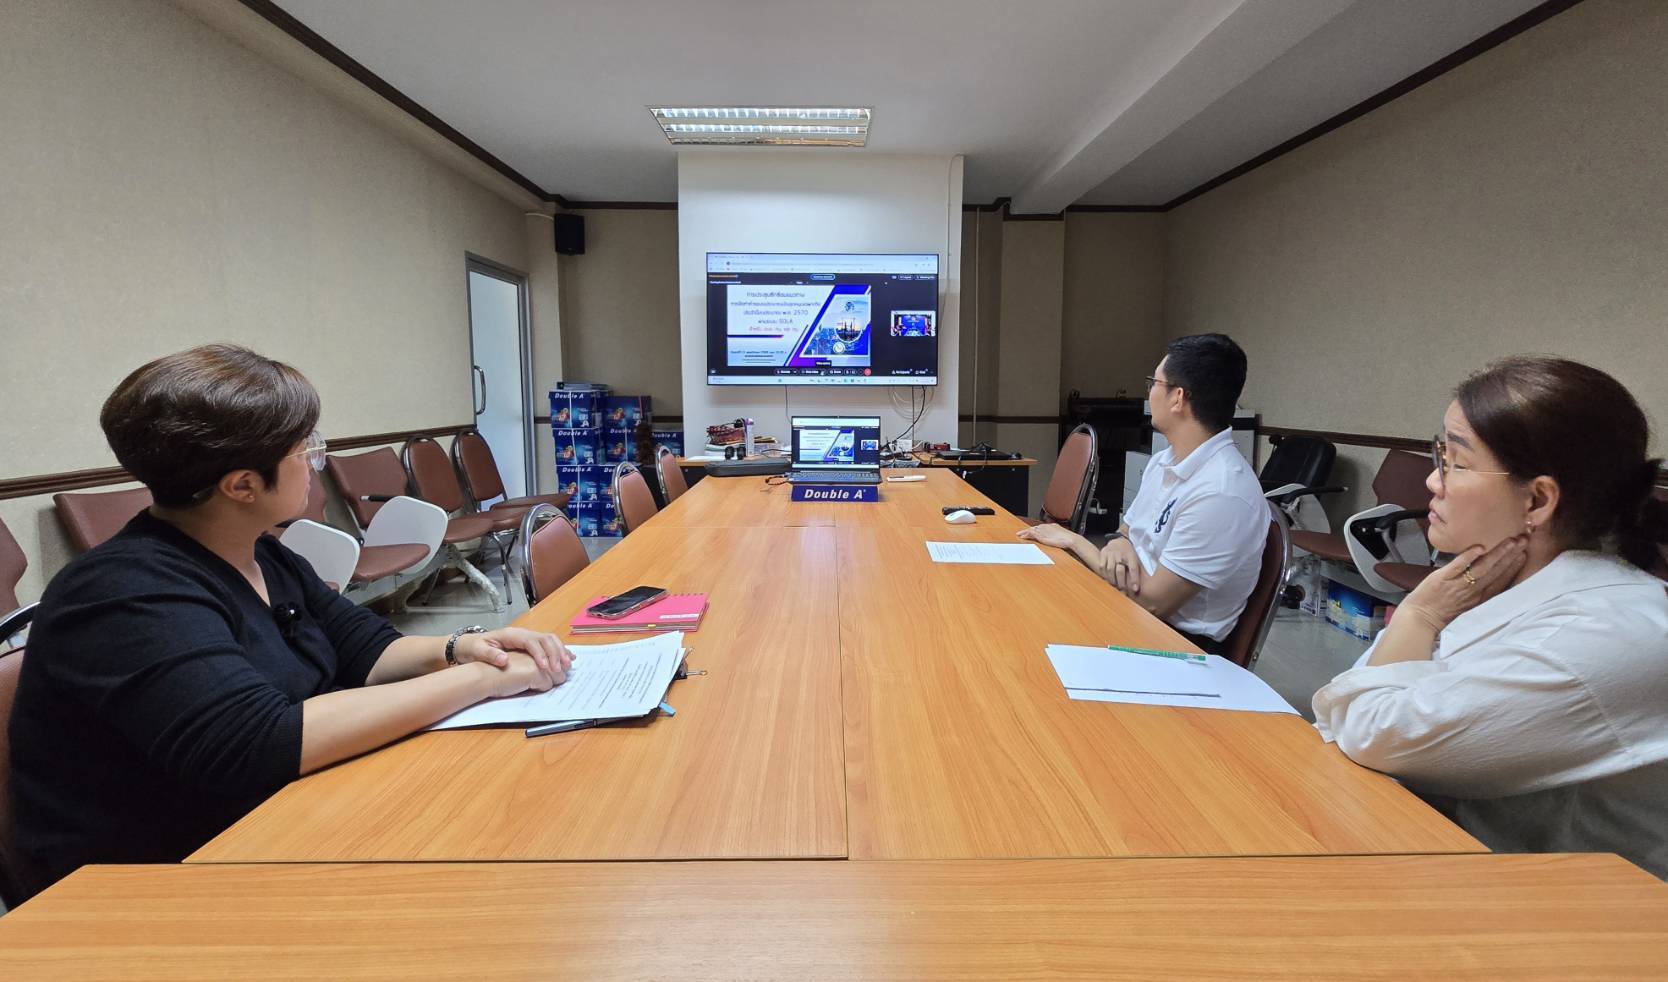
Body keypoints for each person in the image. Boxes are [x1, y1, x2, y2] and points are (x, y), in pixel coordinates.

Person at [8, 344, 575, 897]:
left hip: (285, 818)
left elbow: (366, 649)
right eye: (305, 449)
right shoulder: (123, 593)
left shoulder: (261, 552)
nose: (315, 463)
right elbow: (260, 743)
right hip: (160, 884)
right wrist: (482, 680)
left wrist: (464, 649)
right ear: (242, 485)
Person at [1313, 356, 1668, 877]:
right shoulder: (1496, 580)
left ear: (1538, 500)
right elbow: (1354, 705)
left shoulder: (1604, 633)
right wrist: (1420, 619)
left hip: (1571, 905)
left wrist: (1418, 616)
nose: (1433, 481)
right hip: (1449, 850)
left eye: (1456, 462)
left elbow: (1373, 731)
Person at [1019, 334, 1266, 652]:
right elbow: (1127, 531)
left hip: (1172, 643)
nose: (1149, 393)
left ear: (1178, 398)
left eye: (1154, 383)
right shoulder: (1166, 460)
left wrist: (1075, 542)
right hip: (1126, 611)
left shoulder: (1221, 493)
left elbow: (1151, 603)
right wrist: (1117, 544)